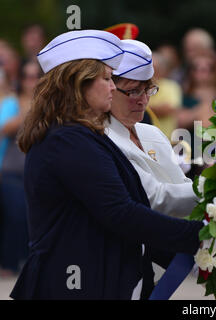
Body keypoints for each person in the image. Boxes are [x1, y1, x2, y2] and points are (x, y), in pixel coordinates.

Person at [10, 30, 203, 300]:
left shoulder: (80, 135)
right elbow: (120, 213)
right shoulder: (68, 139)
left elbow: (122, 211)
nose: (113, 86)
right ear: (77, 84)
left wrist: (186, 253)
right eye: (106, 78)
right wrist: (199, 236)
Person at [106, 39, 198, 218]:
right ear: (109, 89)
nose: (144, 100)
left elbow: (182, 183)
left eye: (148, 89)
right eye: (133, 91)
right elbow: (154, 198)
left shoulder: (151, 132)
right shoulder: (102, 138)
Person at [0, 61, 41, 277]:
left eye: (36, 76)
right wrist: (29, 110)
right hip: (11, 172)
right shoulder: (12, 103)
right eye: (26, 76)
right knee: (16, 216)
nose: (31, 81)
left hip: (38, 175)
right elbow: (4, 128)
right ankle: (9, 264)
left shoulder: (48, 105)